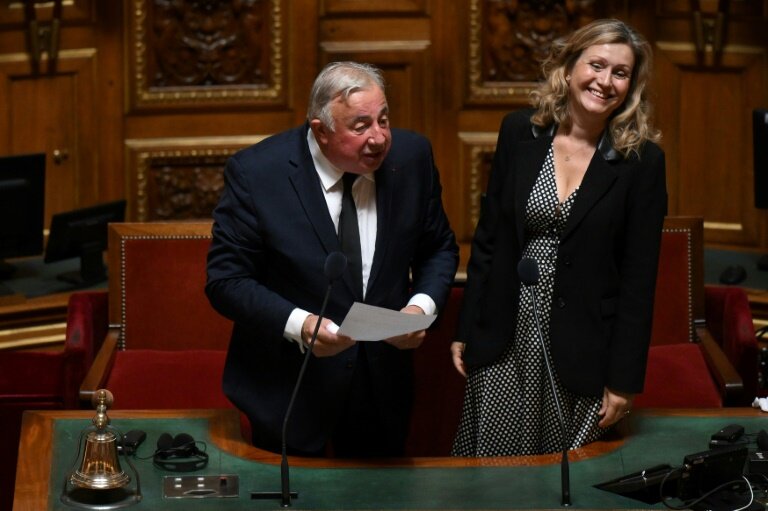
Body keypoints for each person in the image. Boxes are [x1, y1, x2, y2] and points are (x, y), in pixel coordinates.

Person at [206, 61, 459, 458]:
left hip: (380, 390)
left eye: (384, 120)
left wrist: (419, 307)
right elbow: (226, 281)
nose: (378, 139)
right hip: (289, 390)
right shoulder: (258, 173)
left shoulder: (412, 158)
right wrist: (301, 324)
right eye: (360, 127)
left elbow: (438, 248)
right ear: (320, 131)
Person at [450, 19, 667, 456]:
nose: (605, 82)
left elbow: (638, 281)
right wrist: (466, 327)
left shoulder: (642, 161)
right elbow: (489, 239)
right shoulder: (518, 132)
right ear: (569, 69)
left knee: (564, 484)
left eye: (620, 73)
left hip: (581, 347)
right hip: (504, 336)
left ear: (632, 85)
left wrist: (624, 380)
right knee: (493, 480)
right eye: (597, 65)